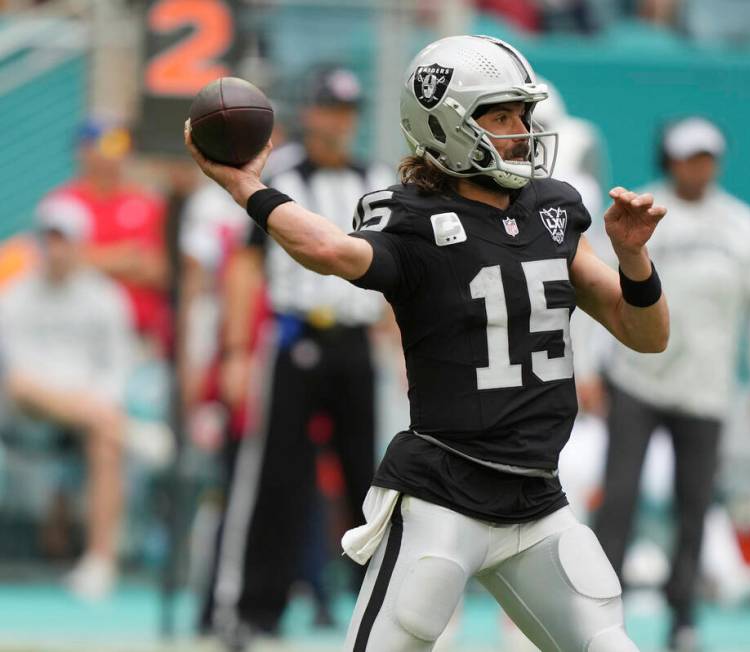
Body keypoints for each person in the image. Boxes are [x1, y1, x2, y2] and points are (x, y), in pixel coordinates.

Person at [186, 34, 669, 652]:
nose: (521, 129)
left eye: (522, 113)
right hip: (445, 497)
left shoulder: (553, 210)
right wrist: (245, 187)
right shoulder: (413, 218)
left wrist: (633, 258)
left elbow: (646, 333)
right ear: (446, 123)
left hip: (537, 500)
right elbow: (331, 250)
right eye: (500, 115)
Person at [200, 66, 395, 640]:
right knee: (275, 477)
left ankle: (380, 613)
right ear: (311, 113)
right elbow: (245, 263)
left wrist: (402, 351)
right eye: (329, 109)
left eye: (347, 111)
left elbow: (395, 273)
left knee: (372, 483)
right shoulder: (278, 172)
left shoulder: (376, 179)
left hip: (357, 341)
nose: (338, 122)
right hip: (292, 335)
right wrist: (236, 350)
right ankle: (253, 609)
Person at [590, 116, 750, 651]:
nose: (698, 167)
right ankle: (600, 612)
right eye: (687, 156)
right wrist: (587, 368)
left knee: (695, 503)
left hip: (707, 387)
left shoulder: (742, 224)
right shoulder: (637, 212)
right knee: (620, 497)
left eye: (707, 157)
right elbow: (597, 293)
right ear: (668, 160)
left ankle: (683, 615)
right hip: (637, 378)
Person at [0, 195, 135, 600]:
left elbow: (117, 373)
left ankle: (100, 561)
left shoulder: (106, 299)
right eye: (48, 238)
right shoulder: (14, 297)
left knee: (106, 440)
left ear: (79, 243)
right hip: (26, 414)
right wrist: (86, 409)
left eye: (62, 239)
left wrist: (92, 409)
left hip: (87, 417)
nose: (53, 248)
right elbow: (19, 381)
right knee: (101, 422)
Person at [49, 120, 169, 350]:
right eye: (108, 145)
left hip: (136, 335)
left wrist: (90, 260)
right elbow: (56, 263)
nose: (116, 155)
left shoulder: (147, 203)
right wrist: (126, 258)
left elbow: (158, 269)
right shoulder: (62, 203)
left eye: (121, 144)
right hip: (75, 337)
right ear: (84, 150)